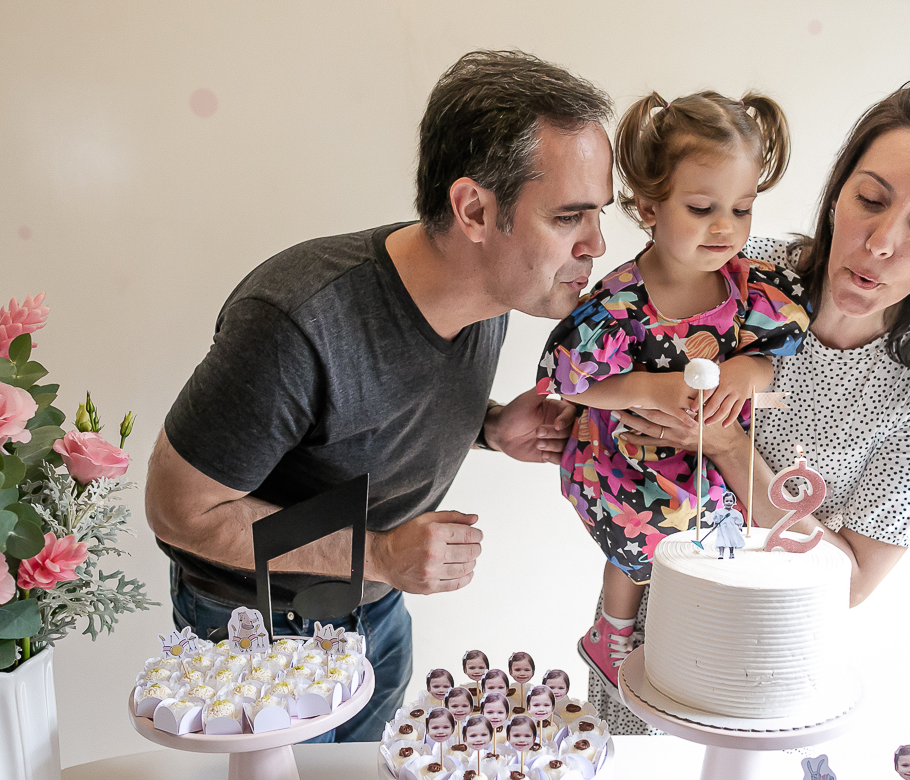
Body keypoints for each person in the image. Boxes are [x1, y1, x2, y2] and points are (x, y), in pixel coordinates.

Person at [144, 49, 614, 742]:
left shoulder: (493, 293)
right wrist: (382, 553)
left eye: (597, 214)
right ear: (476, 210)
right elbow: (179, 510)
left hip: (377, 610)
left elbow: (364, 409)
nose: (598, 244)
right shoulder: (297, 321)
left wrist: (489, 428)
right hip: (253, 634)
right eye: (570, 217)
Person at [594, 74, 910, 732]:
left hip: (775, 656)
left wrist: (726, 446)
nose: (880, 242)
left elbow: (850, 582)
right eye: (870, 199)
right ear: (838, 192)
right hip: (647, 622)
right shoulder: (742, 273)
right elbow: (620, 348)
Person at [536, 88, 810, 693]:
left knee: (723, 544)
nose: (725, 228)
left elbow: (773, 358)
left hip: (706, 459)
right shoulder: (621, 301)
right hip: (629, 456)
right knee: (638, 537)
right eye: (702, 207)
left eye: (741, 210)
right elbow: (575, 381)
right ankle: (610, 629)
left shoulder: (749, 289)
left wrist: (747, 373)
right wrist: (652, 387)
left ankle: (705, 641)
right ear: (649, 206)